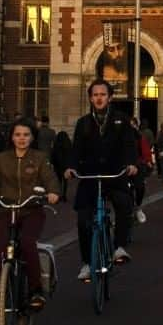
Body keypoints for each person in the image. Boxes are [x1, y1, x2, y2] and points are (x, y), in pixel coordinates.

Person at [0, 117, 61, 311]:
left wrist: (53, 192)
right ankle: (3, 290)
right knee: (1, 253)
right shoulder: (1, 159)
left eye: (26, 135)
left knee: (27, 243)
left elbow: (50, 179)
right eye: (17, 135)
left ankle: (35, 290)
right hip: (7, 210)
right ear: (12, 137)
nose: (21, 139)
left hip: (32, 210)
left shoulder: (39, 158)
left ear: (32, 138)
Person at [66, 80, 139, 280]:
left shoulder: (121, 120)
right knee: (83, 220)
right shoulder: (83, 123)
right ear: (90, 98)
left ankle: (119, 247)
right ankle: (87, 263)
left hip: (114, 174)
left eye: (102, 94)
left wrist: (131, 164)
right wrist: (71, 167)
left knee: (124, 204)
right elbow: (76, 149)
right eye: (95, 95)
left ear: (110, 97)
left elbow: (129, 145)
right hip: (90, 176)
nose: (99, 98)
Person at [51, 127, 72, 201]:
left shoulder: (57, 145)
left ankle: (59, 195)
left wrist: (52, 163)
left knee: (59, 181)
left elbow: (53, 155)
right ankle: (64, 195)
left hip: (58, 165)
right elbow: (70, 155)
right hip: (65, 166)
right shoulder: (68, 144)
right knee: (65, 181)